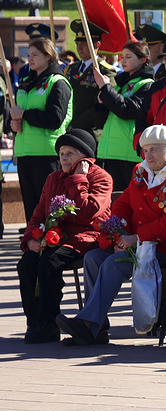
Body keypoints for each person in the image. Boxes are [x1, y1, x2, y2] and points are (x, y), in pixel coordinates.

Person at [57, 125, 166, 345]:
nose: (148, 155)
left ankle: (88, 324)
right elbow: (124, 204)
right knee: (93, 258)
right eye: (145, 149)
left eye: (154, 149)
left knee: (114, 263)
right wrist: (114, 235)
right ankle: (96, 328)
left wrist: (136, 238)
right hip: (139, 243)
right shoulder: (142, 169)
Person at [15, 129, 113, 343]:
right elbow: (39, 211)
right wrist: (30, 239)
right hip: (55, 237)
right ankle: (36, 322)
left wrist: (79, 178)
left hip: (86, 238)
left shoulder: (101, 177)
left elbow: (88, 211)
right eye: (61, 153)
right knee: (27, 263)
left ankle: (50, 321)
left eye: (70, 153)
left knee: (50, 262)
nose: (64, 158)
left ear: (85, 157)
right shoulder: (53, 178)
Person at [10, 35, 73, 218]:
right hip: (24, 151)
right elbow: (18, 111)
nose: (30, 59)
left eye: (35, 55)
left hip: (46, 153)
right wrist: (14, 121)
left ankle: (51, 243)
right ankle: (33, 243)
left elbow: (55, 119)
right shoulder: (26, 82)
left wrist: (25, 115)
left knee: (49, 208)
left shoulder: (58, 82)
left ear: (48, 56)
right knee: (31, 207)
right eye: (28, 54)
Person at [93, 40, 156, 194]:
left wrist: (106, 89)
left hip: (128, 152)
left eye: (129, 57)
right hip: (111, 150)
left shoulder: (146, 84)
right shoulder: (122, 83)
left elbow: (128, 110)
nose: (123, 60)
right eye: (122, 56)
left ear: (143, 60)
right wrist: (104, 100)